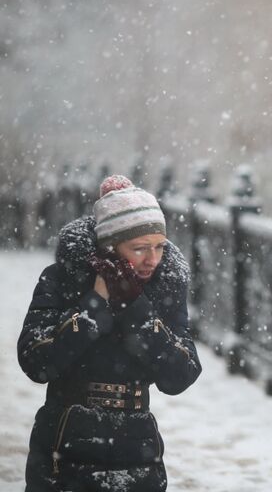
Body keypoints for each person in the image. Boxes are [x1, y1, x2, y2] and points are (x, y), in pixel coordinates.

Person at [18, 175, 202, 491]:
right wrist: (95, 304)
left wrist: (136, 309)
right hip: (65, 438)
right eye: (139, 248)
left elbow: (181, 375)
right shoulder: (62, 279)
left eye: (159, 247)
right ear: (110, 246)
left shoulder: (164, 287)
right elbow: (37, 361)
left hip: (138, 446)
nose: (153, 260)